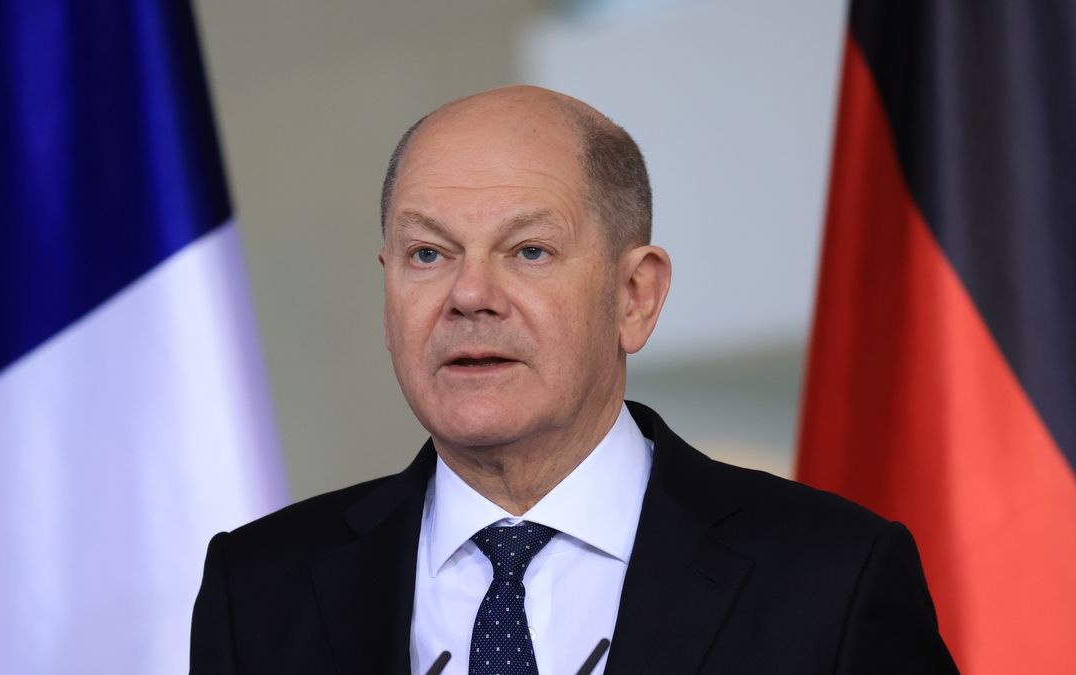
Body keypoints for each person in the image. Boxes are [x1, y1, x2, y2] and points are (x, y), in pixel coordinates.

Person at [190, 86, 957, 674]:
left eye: (528, 251)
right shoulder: (258, 589)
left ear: (635, 296)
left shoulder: (831, 577)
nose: (468, 294)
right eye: (428, 253)